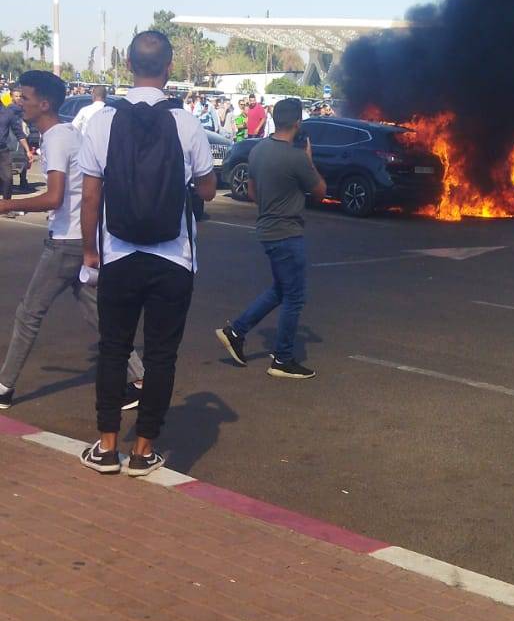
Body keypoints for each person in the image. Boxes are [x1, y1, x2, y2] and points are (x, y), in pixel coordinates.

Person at [78, 30, 217, 476]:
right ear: (170, 68)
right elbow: (209, 188)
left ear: (129, 65)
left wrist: (89, 253)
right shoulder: (186, 122)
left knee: (113, 349)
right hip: (173, 256)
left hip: (117, 253)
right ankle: (142, 451)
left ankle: (105, 447)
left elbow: (90, 198)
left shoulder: (102, 121)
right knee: (161, 355)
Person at [0, 71, 143, 411]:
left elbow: (54, 197)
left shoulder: (56, 138)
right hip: (81, 238)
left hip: (65, 241)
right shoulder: (65, 133)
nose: (21, 103)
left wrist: (9, 204)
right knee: (98, 314)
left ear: (44, 103)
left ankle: (4, 386)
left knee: (29, 313)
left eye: (26, 98)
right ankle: (139, 375)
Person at [216, 98, 326, 379]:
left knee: (280, 290)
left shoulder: (258, 150)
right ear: (298, 123)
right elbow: (320, 192)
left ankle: (236, 330)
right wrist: (310, 162)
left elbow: (252, 193)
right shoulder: (297, 157)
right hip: (287, 233)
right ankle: (283, 358)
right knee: (294, 297)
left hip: (267, 230)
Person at [0, 89, 33, 202]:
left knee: (8, 178)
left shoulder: (8, 113)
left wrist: (28, 151)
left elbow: (19, 133)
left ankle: (6, 205)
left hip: (3, 151)